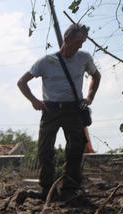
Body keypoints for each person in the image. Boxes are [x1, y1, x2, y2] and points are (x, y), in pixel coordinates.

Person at [17, 23, 101, 201]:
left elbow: (96, 76)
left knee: (75, 149)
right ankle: (47, 189)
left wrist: (89, 98)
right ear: (67, 39)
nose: (81, 45)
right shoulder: (46, 62)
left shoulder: (84, 58)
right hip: (51, 110)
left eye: (83, 41)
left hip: (74, 110)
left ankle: (69, 188)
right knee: (45, 149)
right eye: (78, 41)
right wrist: (34, 101)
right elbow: (22, 82)